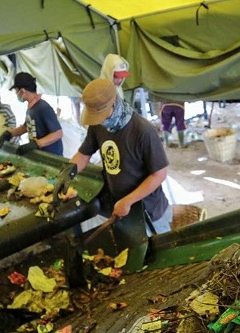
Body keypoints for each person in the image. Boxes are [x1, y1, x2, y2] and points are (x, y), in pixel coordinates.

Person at [56, 78, 172, 235]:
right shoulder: (99, 126)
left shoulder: (143, 131)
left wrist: (129, 200)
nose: (99, 121)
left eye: (101, 116)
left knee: (156, 254)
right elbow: (84, 154)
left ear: (113, 104)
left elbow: (159, 174)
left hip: (148, 210)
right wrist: (69, 172)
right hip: (120, 205)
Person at [0, 72, 63, 156]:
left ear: (22, 91)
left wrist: (37, 144)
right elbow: (26, 126)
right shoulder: (31, 108)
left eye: (16, 91)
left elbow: (58, 133)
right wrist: (10, 134)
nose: (16, 94)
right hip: (40, 155)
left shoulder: (43, 107)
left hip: (52, 156)